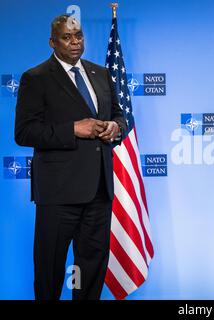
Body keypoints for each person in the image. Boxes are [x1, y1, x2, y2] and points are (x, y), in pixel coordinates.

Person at [14, 15, 126, 300]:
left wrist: (115, 127)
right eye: (67, 37)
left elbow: (119, 116)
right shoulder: (36, 78)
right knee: (50, 269)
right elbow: (24, 133)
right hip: (59, 193)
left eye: (79, 37)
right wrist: (73, 129)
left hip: (99, 189)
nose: (75, 42)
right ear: (53, 42)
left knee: (91, 269)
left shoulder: (101, 73)